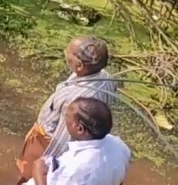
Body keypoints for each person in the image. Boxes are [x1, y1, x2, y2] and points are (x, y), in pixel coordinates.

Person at [16, 37, 119, 184]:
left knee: (27, 174)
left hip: (46, 140)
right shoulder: (104, 76)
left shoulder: (77, 103)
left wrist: (45, 167)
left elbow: (62, 140)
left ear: (79, 65)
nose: (65, 53)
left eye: (68, 52)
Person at [29, 98, 130, 185]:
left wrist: (38, 171)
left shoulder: (77, 169)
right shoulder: (119, 146)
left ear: (80, 129)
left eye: (67, 116)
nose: (64, 119)